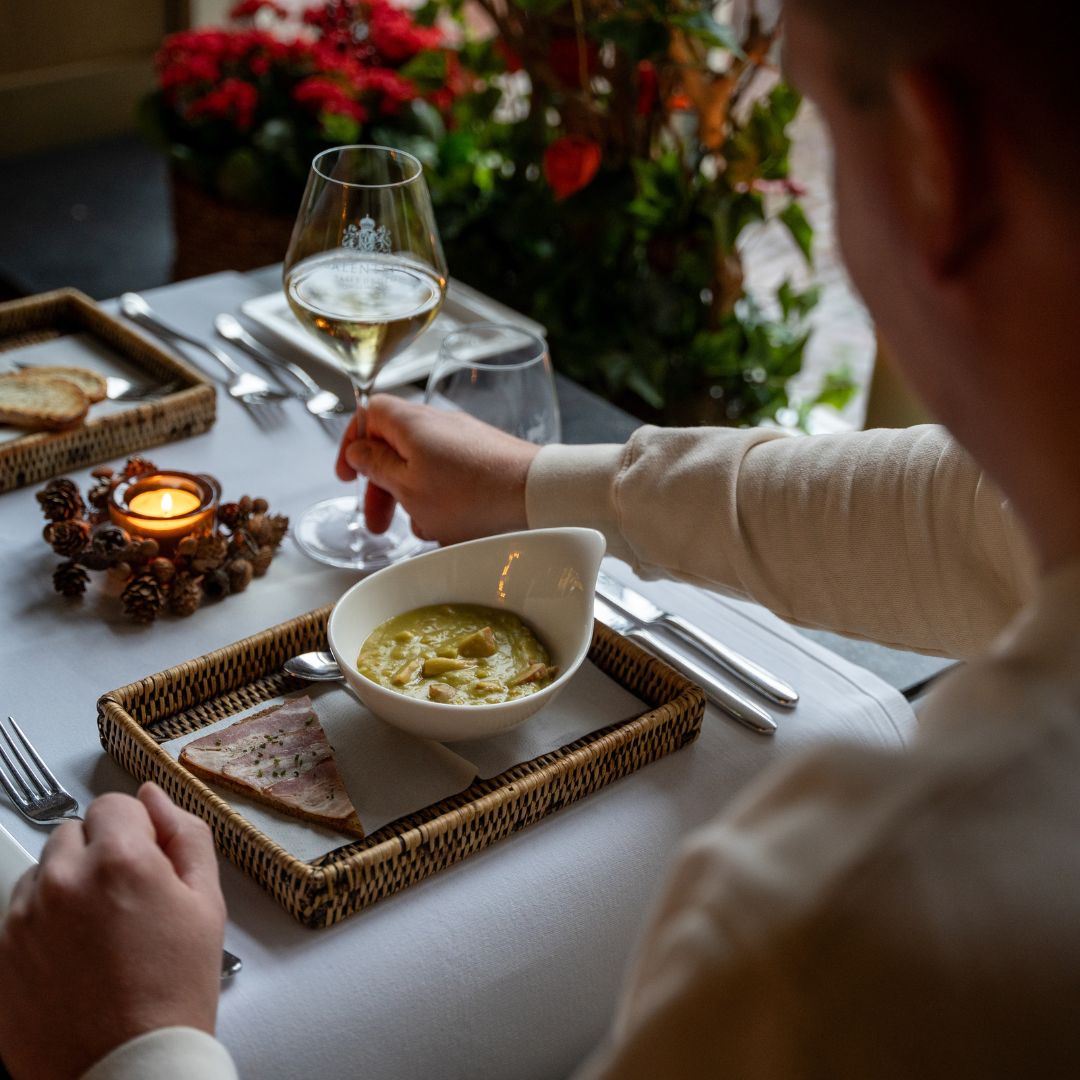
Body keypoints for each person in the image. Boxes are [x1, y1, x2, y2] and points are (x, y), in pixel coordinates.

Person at [4, 0, 1080, 1073]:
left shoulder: (852, 923)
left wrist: (138, 1046)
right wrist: (532, 486)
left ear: (941, 172)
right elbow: (969, 511)